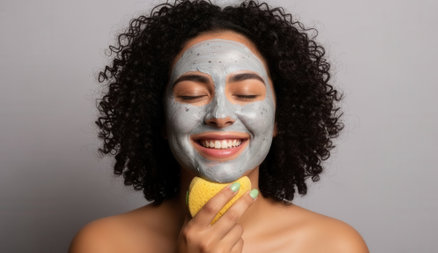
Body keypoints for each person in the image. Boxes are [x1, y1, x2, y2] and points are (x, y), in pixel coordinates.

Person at [69, 0, 369, 252]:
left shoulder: (334, 245)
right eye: (192, 95)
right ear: (159, 116)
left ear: (279, 118)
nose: (220, 115)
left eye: (247, 94)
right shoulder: (102, 244)